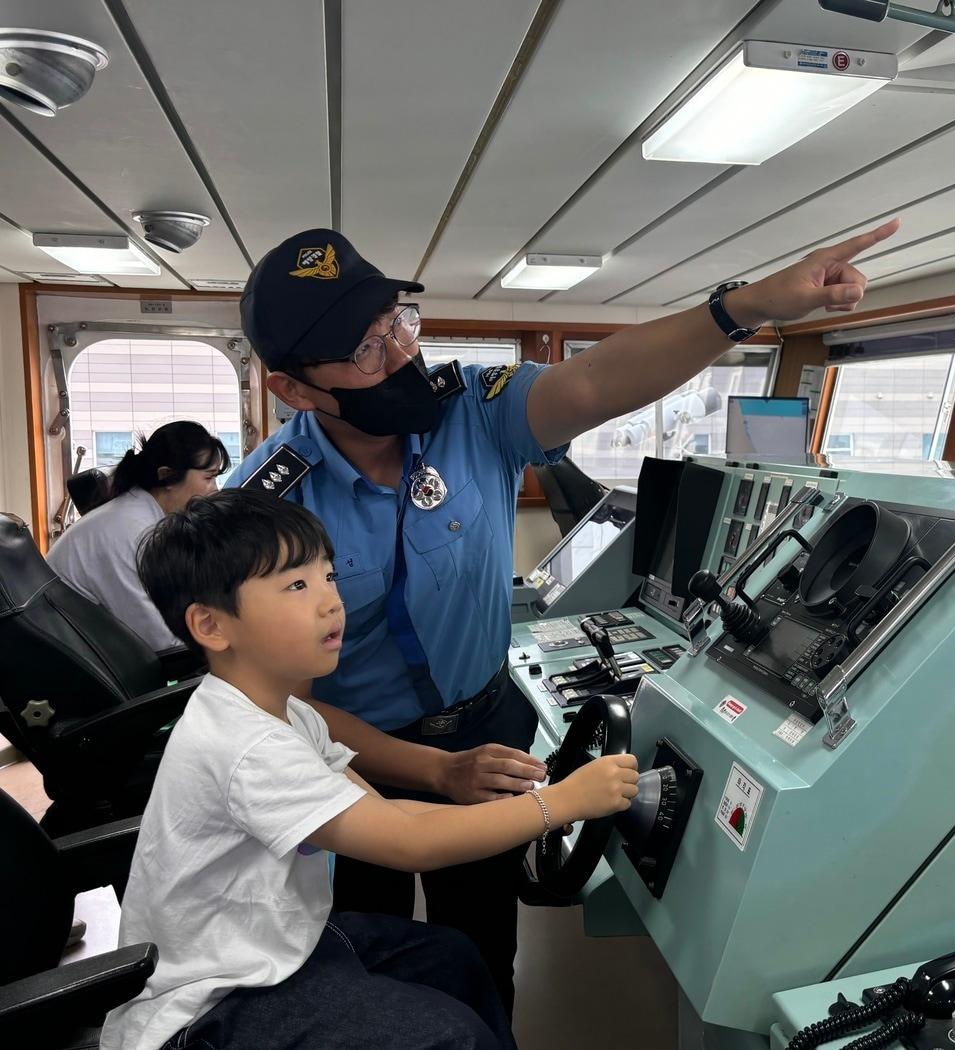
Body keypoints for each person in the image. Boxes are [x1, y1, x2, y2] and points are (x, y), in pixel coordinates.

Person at [227, 218, 897, 1009]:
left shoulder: (472, 411)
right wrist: (431, 771)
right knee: (364, 968)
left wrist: (744, 308)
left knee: (479, 957)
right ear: (294, 390)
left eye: (399, 325)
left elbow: (594, 382)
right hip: (351, 759)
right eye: (367, 349)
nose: (404, 354)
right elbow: (279, 701)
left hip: (486, 728)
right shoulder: (263, 504)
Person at [100, 488, 638, 1050]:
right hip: (210, 1005)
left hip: (273, 947)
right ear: (211, 626)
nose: (332, 603)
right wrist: (564, 804)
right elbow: (408, 842)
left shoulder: (286, 712)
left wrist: (488, 791)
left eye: (329, 578)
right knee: (450, 1038)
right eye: (296, 586)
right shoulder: (246, 746)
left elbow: (385, 813)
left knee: (453, 957)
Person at [47, 421, 230, 651]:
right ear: (167, 476)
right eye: (209, 477)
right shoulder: (130, 531)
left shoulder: (144, 516)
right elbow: (162, 641)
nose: (216, 490)